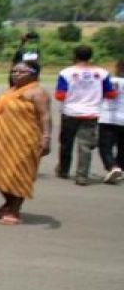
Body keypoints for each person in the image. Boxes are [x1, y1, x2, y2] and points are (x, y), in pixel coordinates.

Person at [0, 62, 51, 224]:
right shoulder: (11, 91)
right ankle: (8, 204)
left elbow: (45, 116)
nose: (16, 74)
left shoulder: (38, 92)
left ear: (34, 74)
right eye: (14, 71)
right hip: (1, 139)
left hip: (23, 140)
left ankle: (14, 211)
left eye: (22, 71)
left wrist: (46, 137)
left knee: (17, 174)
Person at [55, 45, 116, 185]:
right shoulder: (102, 73)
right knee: (85, 145)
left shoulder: (66, 72)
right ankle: (82, 175)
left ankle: (63, 170)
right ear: (91, 56)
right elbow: (110, 94)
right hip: (91, 112)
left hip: (70, 112)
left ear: (74, 56)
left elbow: (60, 95)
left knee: (66, 143)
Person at [98, 58, 124, 184]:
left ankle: (113, 167)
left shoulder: (111, 81)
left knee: (105, 145)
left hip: (109, 117)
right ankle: (119, 168)